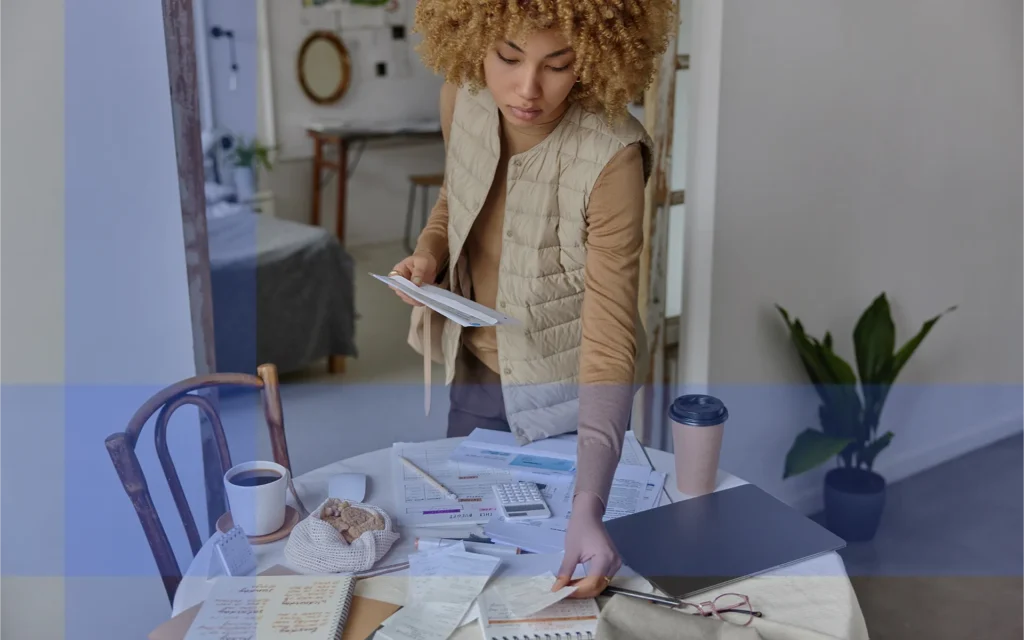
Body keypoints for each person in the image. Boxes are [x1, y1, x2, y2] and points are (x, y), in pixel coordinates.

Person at [390, 0, 674, 598]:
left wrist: (589, 503)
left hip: (567, 399)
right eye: (508, 57)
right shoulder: (462, 96)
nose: (527, 89)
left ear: (594, 58)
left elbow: (607, 340)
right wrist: (429, 253)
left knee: (563, 574)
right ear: (475, 40)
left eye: (558, 63)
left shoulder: (613, 158)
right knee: (469, 569)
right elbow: (455, 193)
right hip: (473, 369)